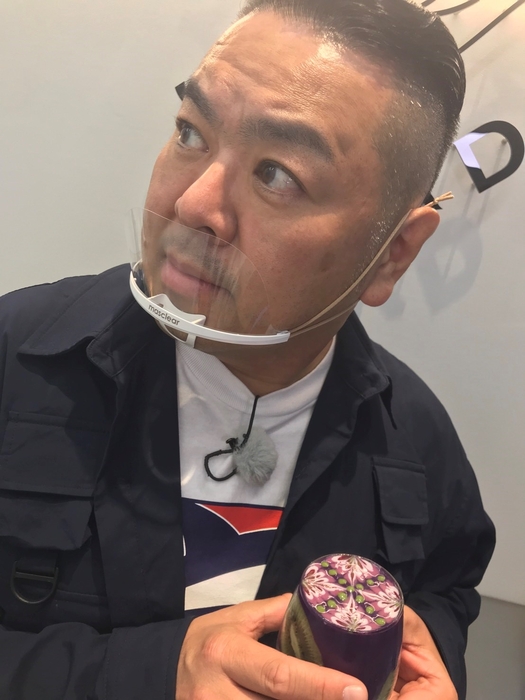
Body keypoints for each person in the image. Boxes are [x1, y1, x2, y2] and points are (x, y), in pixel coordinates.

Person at [0, 0, 495, 699]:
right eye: (190, 132)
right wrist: (151, 674)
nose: (192, 204)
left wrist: (420, 664)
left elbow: (444, 596)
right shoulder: (16, 363)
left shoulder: (416, 444)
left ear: (392, 254)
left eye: (276, 175)